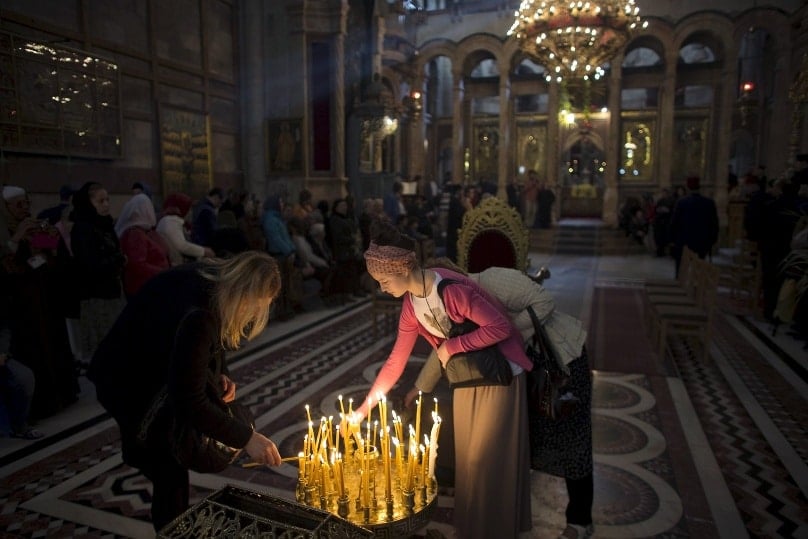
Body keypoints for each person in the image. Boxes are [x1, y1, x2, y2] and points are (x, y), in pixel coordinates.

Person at [353, 222, 532, 539]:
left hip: (499, 375)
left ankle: (494, 531)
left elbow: (500, 328)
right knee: (469, 463)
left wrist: (451, 346)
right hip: (466, 379)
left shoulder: (451, 290)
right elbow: (396, 361)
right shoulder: (411, 304)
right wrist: (362, 411)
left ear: (403, 266)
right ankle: (473, 530)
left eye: (383, 280)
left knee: (486, 461)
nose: (381, 288)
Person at [88, 251, 284, 531]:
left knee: (168, 459)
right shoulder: (199, 315)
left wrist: (220, 373)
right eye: (253, 308)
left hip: (149, 363)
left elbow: (207, 340)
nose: (252, 316)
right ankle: (171, 530)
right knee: (167, 464)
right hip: (127, 377)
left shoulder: (214, 280)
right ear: (241, 293)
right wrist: (246, 438)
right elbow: (189, 401)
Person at [410, 259, 593, 538]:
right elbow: (448, 345)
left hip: (562, 360)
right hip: (519, 367)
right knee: (528, 439)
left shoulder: (491, 280)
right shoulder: (449, 302)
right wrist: (421, 387)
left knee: (572, 441)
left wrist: (503, 333)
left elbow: (544, 301)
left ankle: (580, 520)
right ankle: (510, 514)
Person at [70, 181, 127, 364]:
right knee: (103, 345)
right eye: (100, 201)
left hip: (112, 292)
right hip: (96, 296)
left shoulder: (104, 224)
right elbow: (89, 264)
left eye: (107, 200)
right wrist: (117, 260)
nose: (106, 205)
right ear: (88, 203)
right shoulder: (83, 228)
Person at [115, 193, 170, 297]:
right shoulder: (135, 234)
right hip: (144, 289)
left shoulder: (146, 231)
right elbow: (137, 265)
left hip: (155, 285)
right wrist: (164, 273)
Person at [668, 176, 719, 277]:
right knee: (699, 269)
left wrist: (672, 240)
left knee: (681, 270)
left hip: (684, 242)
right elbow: (714, 224)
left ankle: (680, 285)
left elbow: (674, 223)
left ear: (687, 187)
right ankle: (697, 289)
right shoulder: (709, 203)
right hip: (702, 242)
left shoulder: (682, 203)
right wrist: (711, 241)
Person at [156, 192, 214, 266]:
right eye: (189, 209)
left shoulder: (170, 220)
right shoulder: (171, 221)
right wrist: (204, 251)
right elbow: (182, 246)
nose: (191, 213)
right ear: (182, 208)